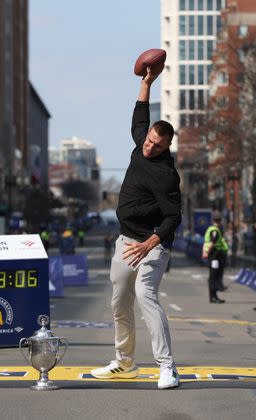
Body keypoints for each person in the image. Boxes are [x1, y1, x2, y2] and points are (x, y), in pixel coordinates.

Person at [90, 66, 182, 388]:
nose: (149, 147)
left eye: (157, 146)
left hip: (154, 245)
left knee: (145, 294)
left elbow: (174, 218)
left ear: (166, 147)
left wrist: (150, 243)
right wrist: (147, 83)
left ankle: (167, 367)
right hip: (126, 241)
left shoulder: (166, 174)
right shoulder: (141, 140)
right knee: (119, 302)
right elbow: (140, 113)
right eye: (149, 141)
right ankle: (124, 362)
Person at [202, 213, 228, 303]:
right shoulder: (215, 231)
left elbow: (206, 242)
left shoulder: (211, 229)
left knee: (213, 276)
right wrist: (207, 252)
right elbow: (212, 243)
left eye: (218, 220)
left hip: (213, 256)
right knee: (214, 276)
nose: (218, 222)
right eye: (217, 220)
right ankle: (213, 297)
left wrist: (205, 253)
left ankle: (214, 296)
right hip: (215, 256)